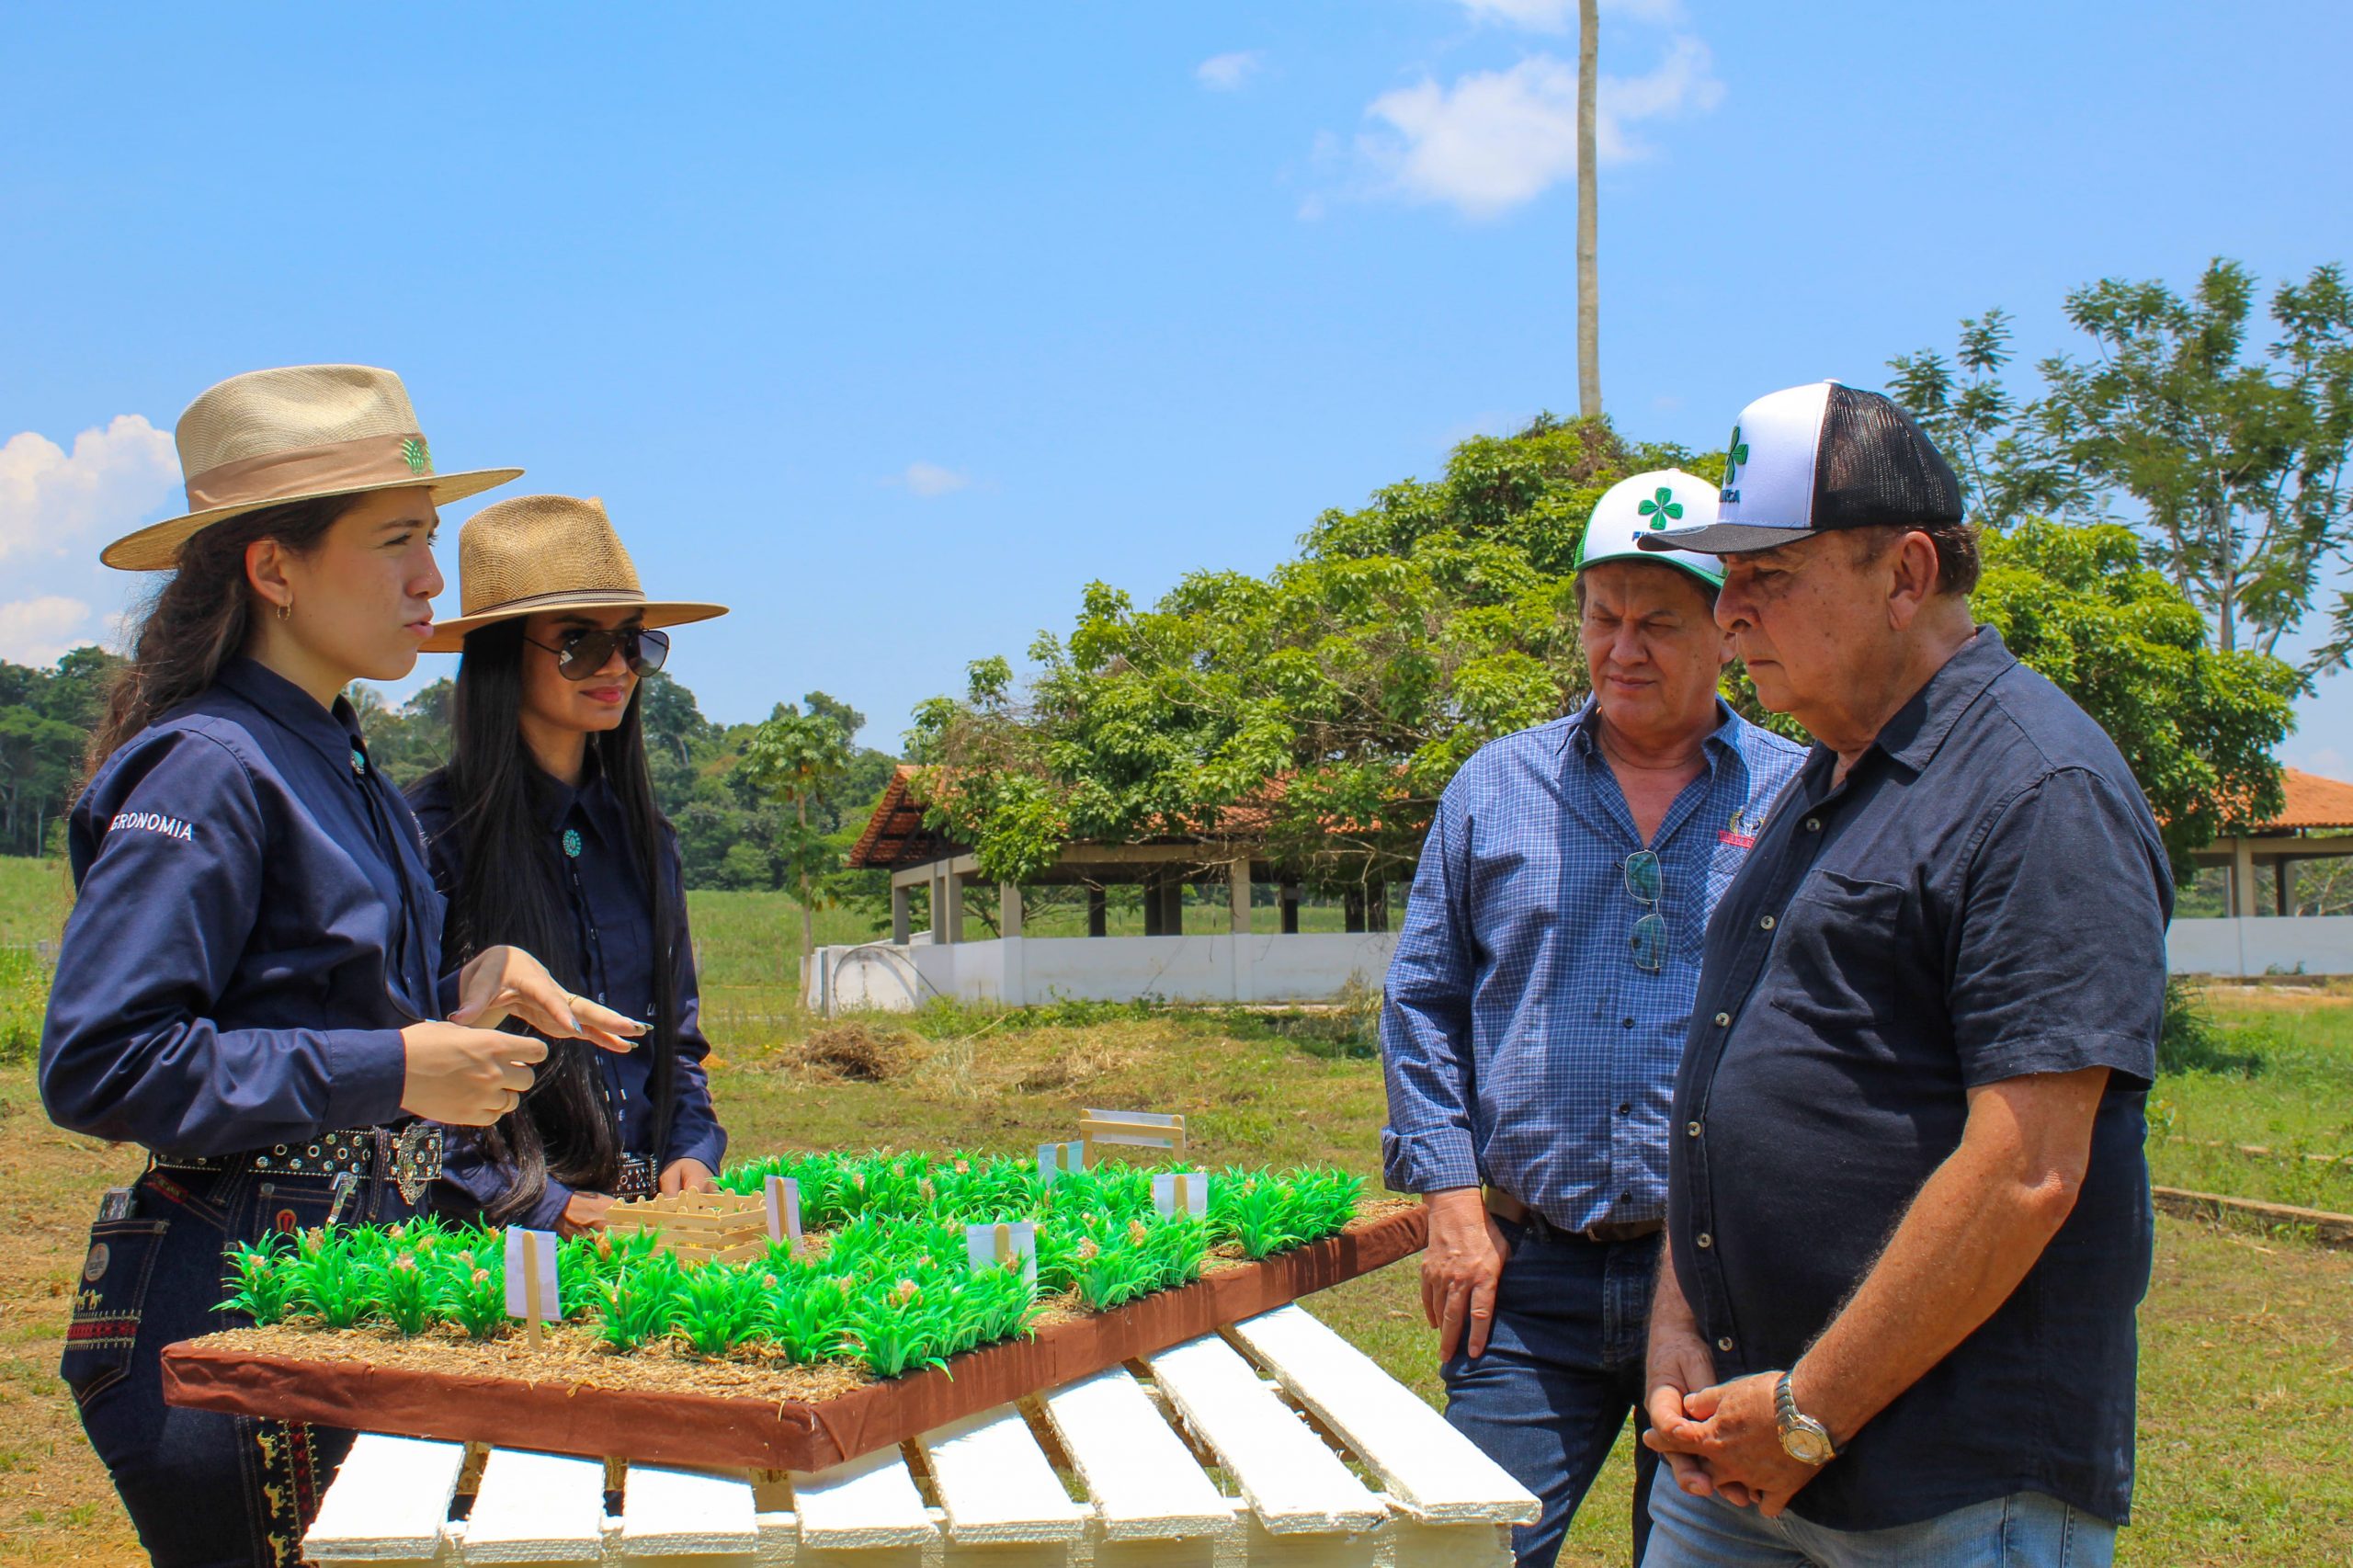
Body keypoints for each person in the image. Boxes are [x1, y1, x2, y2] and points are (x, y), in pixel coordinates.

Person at [40, 365, 647, 1568]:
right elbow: (103, 1061)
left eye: (427, 538)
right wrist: (397, 1065)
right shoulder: (212, 764)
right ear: (275, 568)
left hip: (343, 1276)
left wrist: (467, 994)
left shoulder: (333, 756)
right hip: (233, 1307)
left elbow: (302, 1002)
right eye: (396, 541)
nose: (431, 579)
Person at [1633, 381, 2170, 1567]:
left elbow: (2026, 1167)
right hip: (1738, 1452)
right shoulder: (1826, 776)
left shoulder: (2037, 789)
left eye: (1769, 574)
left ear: (1906, 573)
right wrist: (1679, 1320)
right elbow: (1721, 1075)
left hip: (1944, 1483)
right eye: (1726, 577)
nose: (1728, 612)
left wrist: (1808, 1411)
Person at [1381, 471, 1806, 1568]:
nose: (1623, 648)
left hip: (1722, 1279)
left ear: (1728, 627)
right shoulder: (1495, 784)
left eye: (1657, 622)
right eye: (1601, 617)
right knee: (1472, 1549)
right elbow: (1423, 995)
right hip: (1527, 1276)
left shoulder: (1800, 796)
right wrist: (1451, 1199)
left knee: (1712, 1554)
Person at [407, 494, 730, 1233]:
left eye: (634, 643)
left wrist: (691, 1149)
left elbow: (675, 1042)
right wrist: (540, 1204)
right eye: (579, 643)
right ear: (501, 656)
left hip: (639, 1224)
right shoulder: (430, 836)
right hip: (490, 1232)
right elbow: (410, 1061)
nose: (616, 666)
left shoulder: (647, 840)